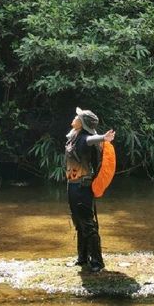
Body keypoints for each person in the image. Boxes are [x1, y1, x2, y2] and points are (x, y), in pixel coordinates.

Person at [65, 107, 115, 272]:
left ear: (83, 123)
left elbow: (91, 140)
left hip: (82, 187)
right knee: (78, 223)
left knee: (87, 224)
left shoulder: (84, 138)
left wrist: (103, 137)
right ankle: (82, 258)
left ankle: (97, 262)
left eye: (77, 117)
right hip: (72, 185)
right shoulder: (74, 136)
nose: (74, 117)